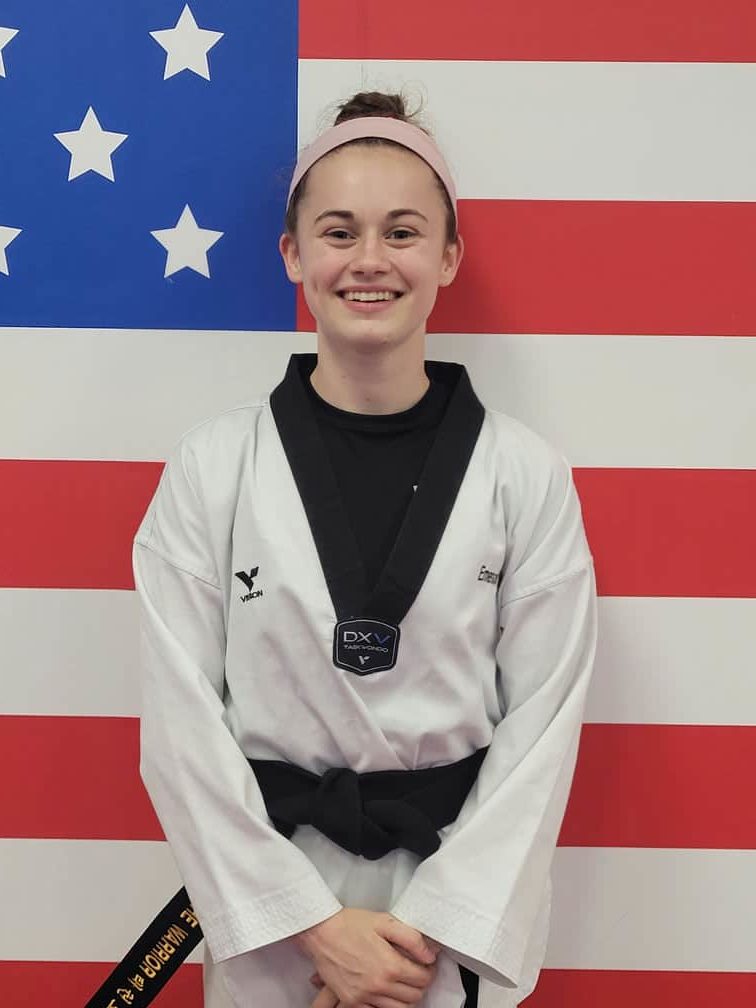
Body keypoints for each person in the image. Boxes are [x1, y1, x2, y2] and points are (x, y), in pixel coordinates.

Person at [133, 90, 597, 1008]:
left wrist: (417, 941)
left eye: (404, 231)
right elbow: (179, 726)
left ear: (448, 255)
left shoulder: (524, 473)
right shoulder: (213, 466)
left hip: (444, 913)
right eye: (339, 232)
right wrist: (316, 929)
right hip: (277, 921)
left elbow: (543, 726)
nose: (371, 261)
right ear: (294, 255)